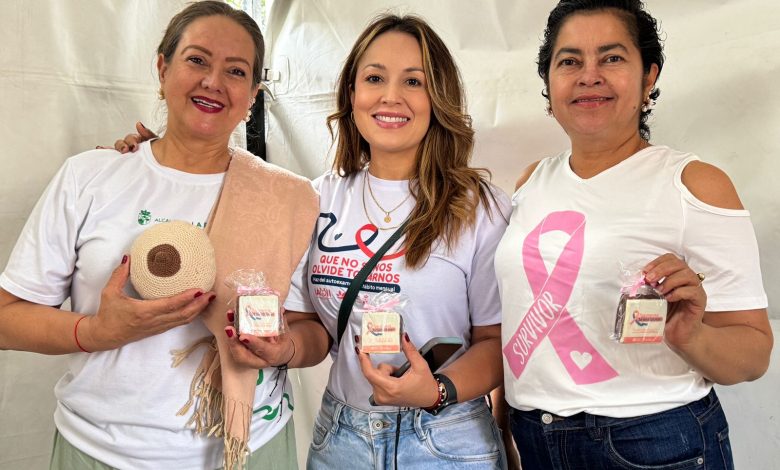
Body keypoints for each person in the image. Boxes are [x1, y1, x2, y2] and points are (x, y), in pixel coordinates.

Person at [0, 2, 318, 469]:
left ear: (253, 93)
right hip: (100, 451)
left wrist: (284, 348)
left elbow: (312, 330)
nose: (213, 81)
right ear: (162, 67)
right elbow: (7, 319)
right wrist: (95, 331)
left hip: (249, 448)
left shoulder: (286, 197)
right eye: (196, 60)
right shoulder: (90, 176)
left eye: (235, 70)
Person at [219, 13, 511, 470]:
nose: (391, 96)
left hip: (447, 439)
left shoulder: (479, 206)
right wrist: (283, 350)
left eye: (414, 81)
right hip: (343, 439)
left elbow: (495, 341)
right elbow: (310, 329)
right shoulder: (315, 198)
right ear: (352, 94)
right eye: (375, 77)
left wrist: (435, 391)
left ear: (438, 97)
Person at [495, 1, 772, 469]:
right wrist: (504, 426)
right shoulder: (530, 183)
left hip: (651, 442)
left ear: (648, 78)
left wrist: (691, 336)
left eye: (612, 58)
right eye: (569, 61)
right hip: (534, 436)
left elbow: (753, 355)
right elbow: (516, 318)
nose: (589, 75)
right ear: (549, 83)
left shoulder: (693, 184)